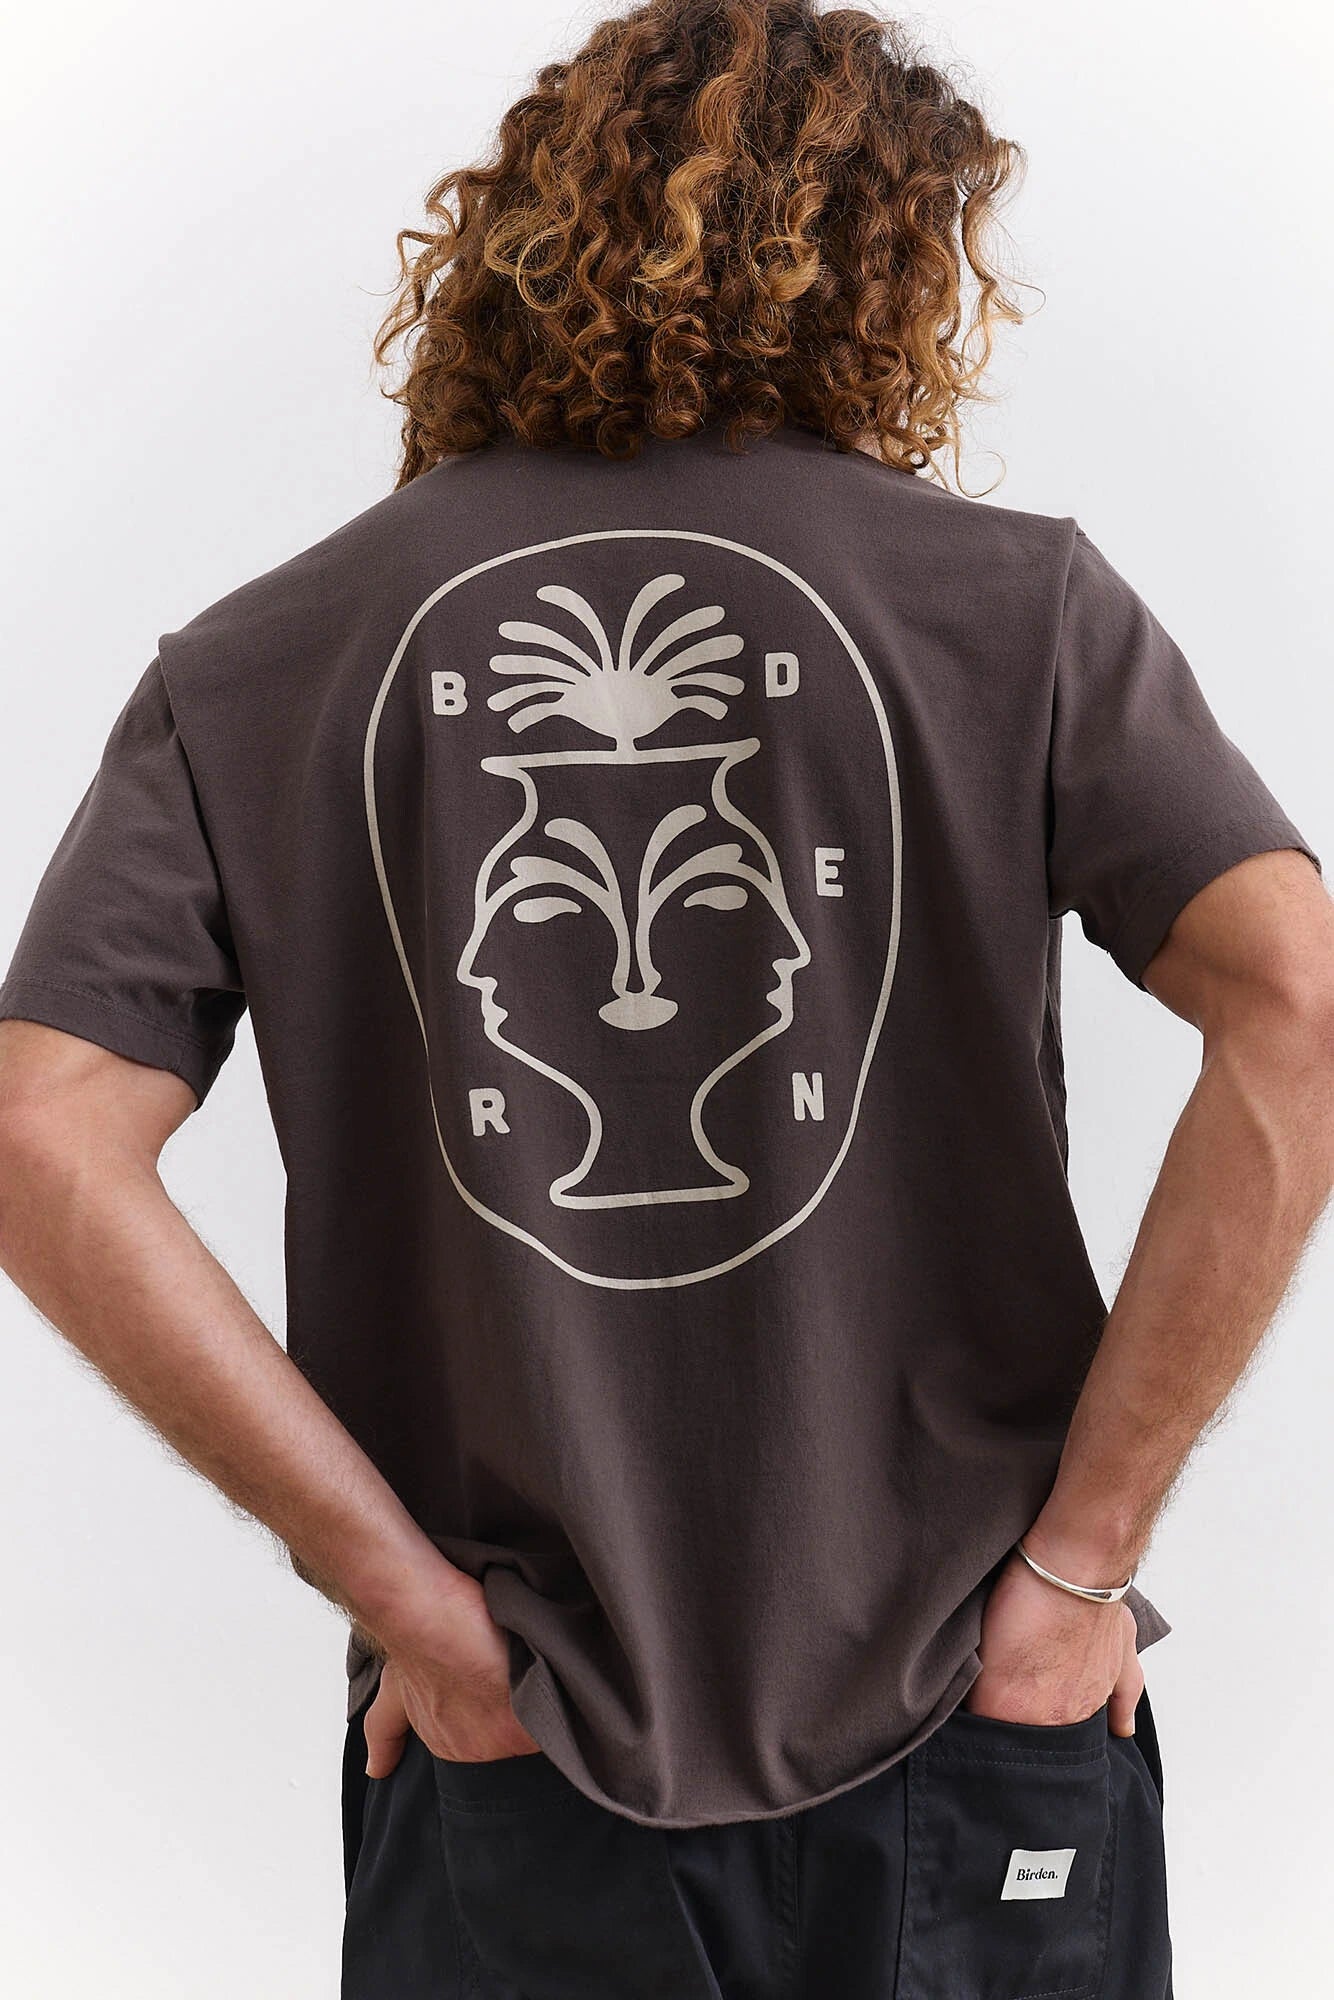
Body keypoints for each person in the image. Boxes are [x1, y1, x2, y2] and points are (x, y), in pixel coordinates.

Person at [0, 0, 1329, 1992]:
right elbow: (1296, 1002)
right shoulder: (1012, 609)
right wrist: (1080, 1562)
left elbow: (42, 1133)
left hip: (521, 1745)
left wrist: (410, 1609)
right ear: (886, 270)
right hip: (970, 1713)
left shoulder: (262, 665)